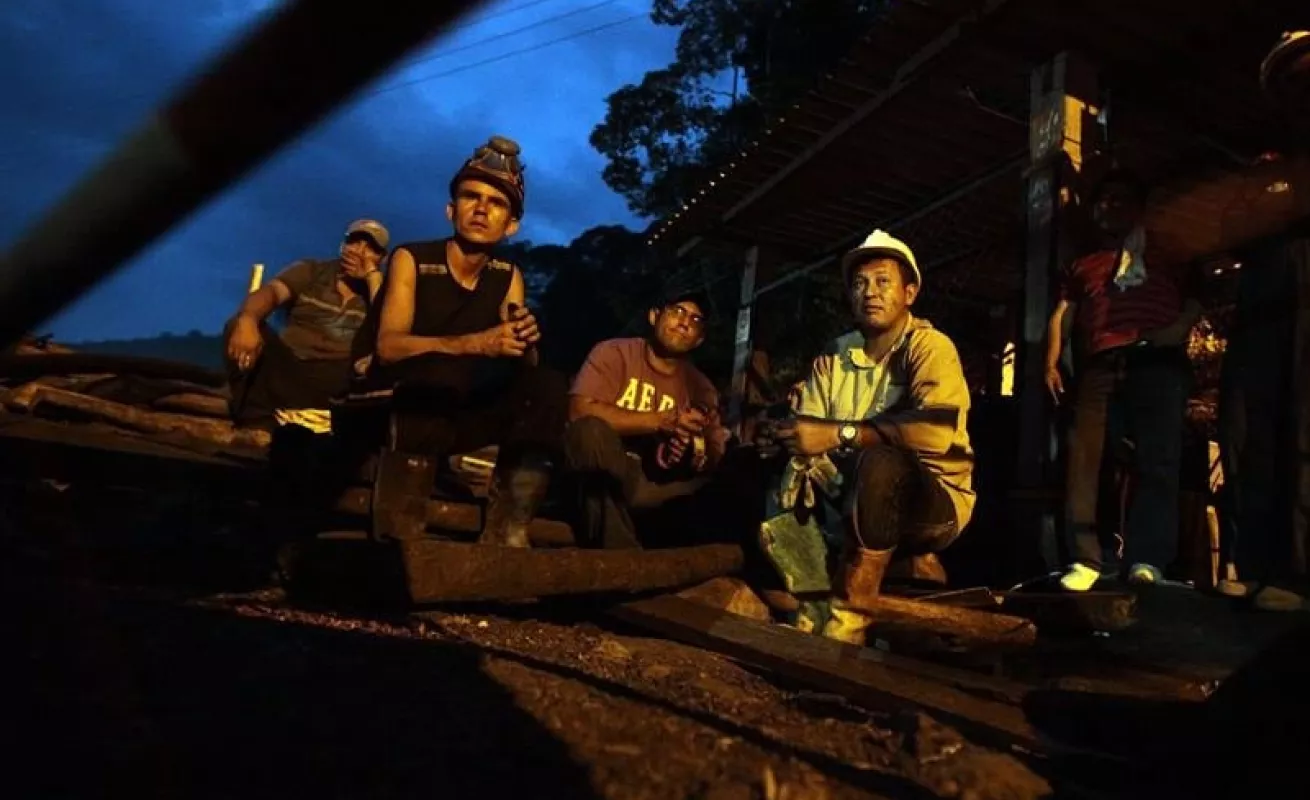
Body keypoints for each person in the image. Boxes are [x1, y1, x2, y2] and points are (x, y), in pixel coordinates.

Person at [345, 135, 566, 547]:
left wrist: (527, 343)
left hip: (453, 408)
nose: (482, 209)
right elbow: (389, 348)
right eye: (471, 197)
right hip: (391, 402)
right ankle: (398, 536)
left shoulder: (507, 275)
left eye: (496, 203)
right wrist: (478, 344)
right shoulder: (412, 258)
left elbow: (520, 366)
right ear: (452, 209)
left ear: (511, 224)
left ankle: (507, 533)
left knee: (547, 386)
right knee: (432, 370)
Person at [766, 229, 975, 645]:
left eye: (883, 282)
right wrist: (788, 441)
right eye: (860, 284)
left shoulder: (929, 346)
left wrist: (839, 434)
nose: (870, 293)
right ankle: (810, 603)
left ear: (909, 292)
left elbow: (934, 432)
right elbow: (807, 430)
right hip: (850, 493)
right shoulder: (835, 355)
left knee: (881, 463)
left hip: (932, 502)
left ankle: (849, 623)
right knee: (780, 471)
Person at [1045, 170, 1203, 592]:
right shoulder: (1082, 262)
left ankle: (1148, 560)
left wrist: (1177, 331)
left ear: (1138, 209)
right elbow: (1063, 312)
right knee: (1085, 458)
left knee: (1159, 460)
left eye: (1120, 199)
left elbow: (1195, 296)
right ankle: (1086, 558)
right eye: (1103, 200)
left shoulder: (1167, 250)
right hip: (1101, 363)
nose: (1110, 207)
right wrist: (1051, 361)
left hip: (1158, 359)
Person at [1216, 30, 1310, 611]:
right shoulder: (1263, 164)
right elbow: (1231, 235)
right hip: (1261, 299)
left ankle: (1299, 574)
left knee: (1305, 428)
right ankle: (1257, 564)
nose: (1299, 84)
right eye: (1289, 77)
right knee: (1250, 429)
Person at [563, 291, 733, 549]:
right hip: (606, 471)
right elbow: (579, 411)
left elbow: (711, 453)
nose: (685, 323)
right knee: (589, 431)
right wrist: (662, 422)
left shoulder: (702, 388)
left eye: (696, 321)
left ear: (699, 340)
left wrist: (692, 451)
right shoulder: (614, 353)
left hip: (654, 485)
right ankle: (622, 559)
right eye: (677, 312)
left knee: (731, 479)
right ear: (654, 316)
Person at [224, 218, 388, 432]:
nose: (359, 252)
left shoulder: (381, 289)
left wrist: (372, 276)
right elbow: (271, 293)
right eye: (354, 242)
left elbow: (388, 326)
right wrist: (247, 320)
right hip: (291, 367)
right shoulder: (312, 270)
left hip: (339, 379)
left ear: (382, 259)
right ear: (343, 246)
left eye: (371, 249)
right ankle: (258, 424)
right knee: (237, 325)